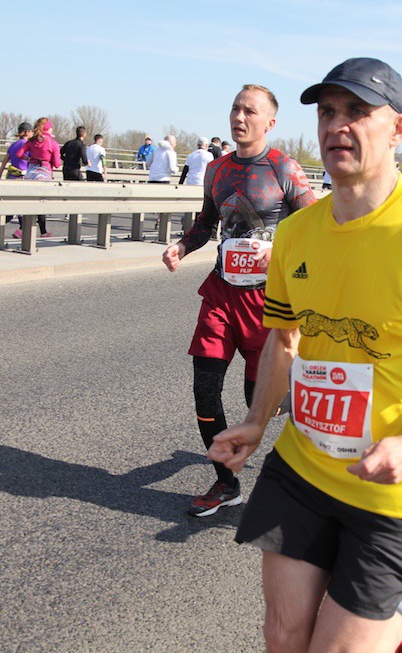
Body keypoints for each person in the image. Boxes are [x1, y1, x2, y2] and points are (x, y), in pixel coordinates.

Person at [210, 57, 402, 653]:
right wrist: (257, 420)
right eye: (327, 112)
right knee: (284, 641)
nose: (336, 125)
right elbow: (284, 341)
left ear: (398, 129)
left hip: (393, 491)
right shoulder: (297, 234)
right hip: (304, 467)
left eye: (357, 112)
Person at [161, 84, 316, 519]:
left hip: (268, 303)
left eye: (250, 111)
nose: (240, 117)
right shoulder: (217, 170)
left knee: (257, 401)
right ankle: (226, 483)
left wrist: (280, 250)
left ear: (270, 122)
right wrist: (181, 247)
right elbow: (206, 224)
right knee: (204, 389)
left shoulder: (285, 169)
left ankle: (294, 435)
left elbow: (315, 231)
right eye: (235, 108)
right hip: (221, 293)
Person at [15, 117, 61, 237]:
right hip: (44, 174)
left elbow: (19, 154)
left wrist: (29, 159)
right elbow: (57, 164)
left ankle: (23, 230)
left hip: (30, 173)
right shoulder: (53, 143)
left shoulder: (32, 141)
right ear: (49, 128)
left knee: (29, 203)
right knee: (41, 204)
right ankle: (39, 232)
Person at [0, 122, 33, 238]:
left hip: (11, 177)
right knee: (23, 205)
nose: (32, 133)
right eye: (31, 131)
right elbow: (32, 160)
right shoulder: (28, 145)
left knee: (13, 204)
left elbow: (5, 161)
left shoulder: (13, 145)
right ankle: (20, 230)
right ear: (27, 132)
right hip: (23, 177)